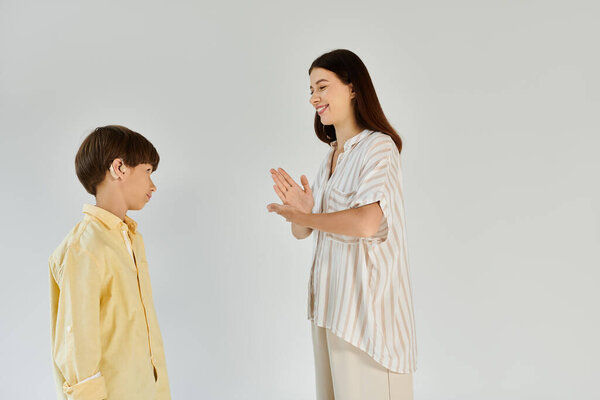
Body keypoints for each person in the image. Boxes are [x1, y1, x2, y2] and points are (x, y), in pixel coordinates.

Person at [267, 49, 417, 400]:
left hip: (369, 320)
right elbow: (304, 231)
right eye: (310, 90)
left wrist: (307, 216)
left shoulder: (378, 149)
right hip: (330, 310)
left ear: (352, 88)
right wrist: (302, 211)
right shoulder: (331, 158)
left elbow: (367, 223)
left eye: (322, 86)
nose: (314, 98)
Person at [49, 125, 171, 400]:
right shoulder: (83, 247)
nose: (153, 185)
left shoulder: (131, 239)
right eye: (148, 171)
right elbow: (77, 344)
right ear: (119, 168)